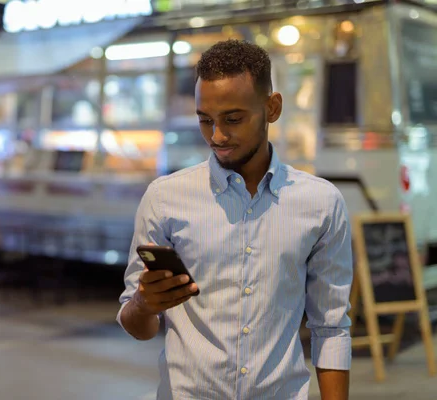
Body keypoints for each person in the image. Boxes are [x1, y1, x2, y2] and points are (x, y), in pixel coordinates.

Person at [117, 39, 353, 400]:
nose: (217, 136)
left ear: (271, 108)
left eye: (233, 119)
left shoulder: (320, 203)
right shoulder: (165, 198)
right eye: (205, 120)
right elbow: (137, 326)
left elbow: (332, 327)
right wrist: (144, 305)